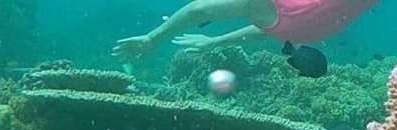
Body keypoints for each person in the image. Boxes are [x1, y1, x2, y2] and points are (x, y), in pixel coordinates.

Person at [113, 0, 380, 59]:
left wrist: (153, 38)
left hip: (301, 30)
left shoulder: (275, 14)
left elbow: (199, 12)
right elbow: (200, 12)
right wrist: (213, 42)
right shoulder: (274, 12)